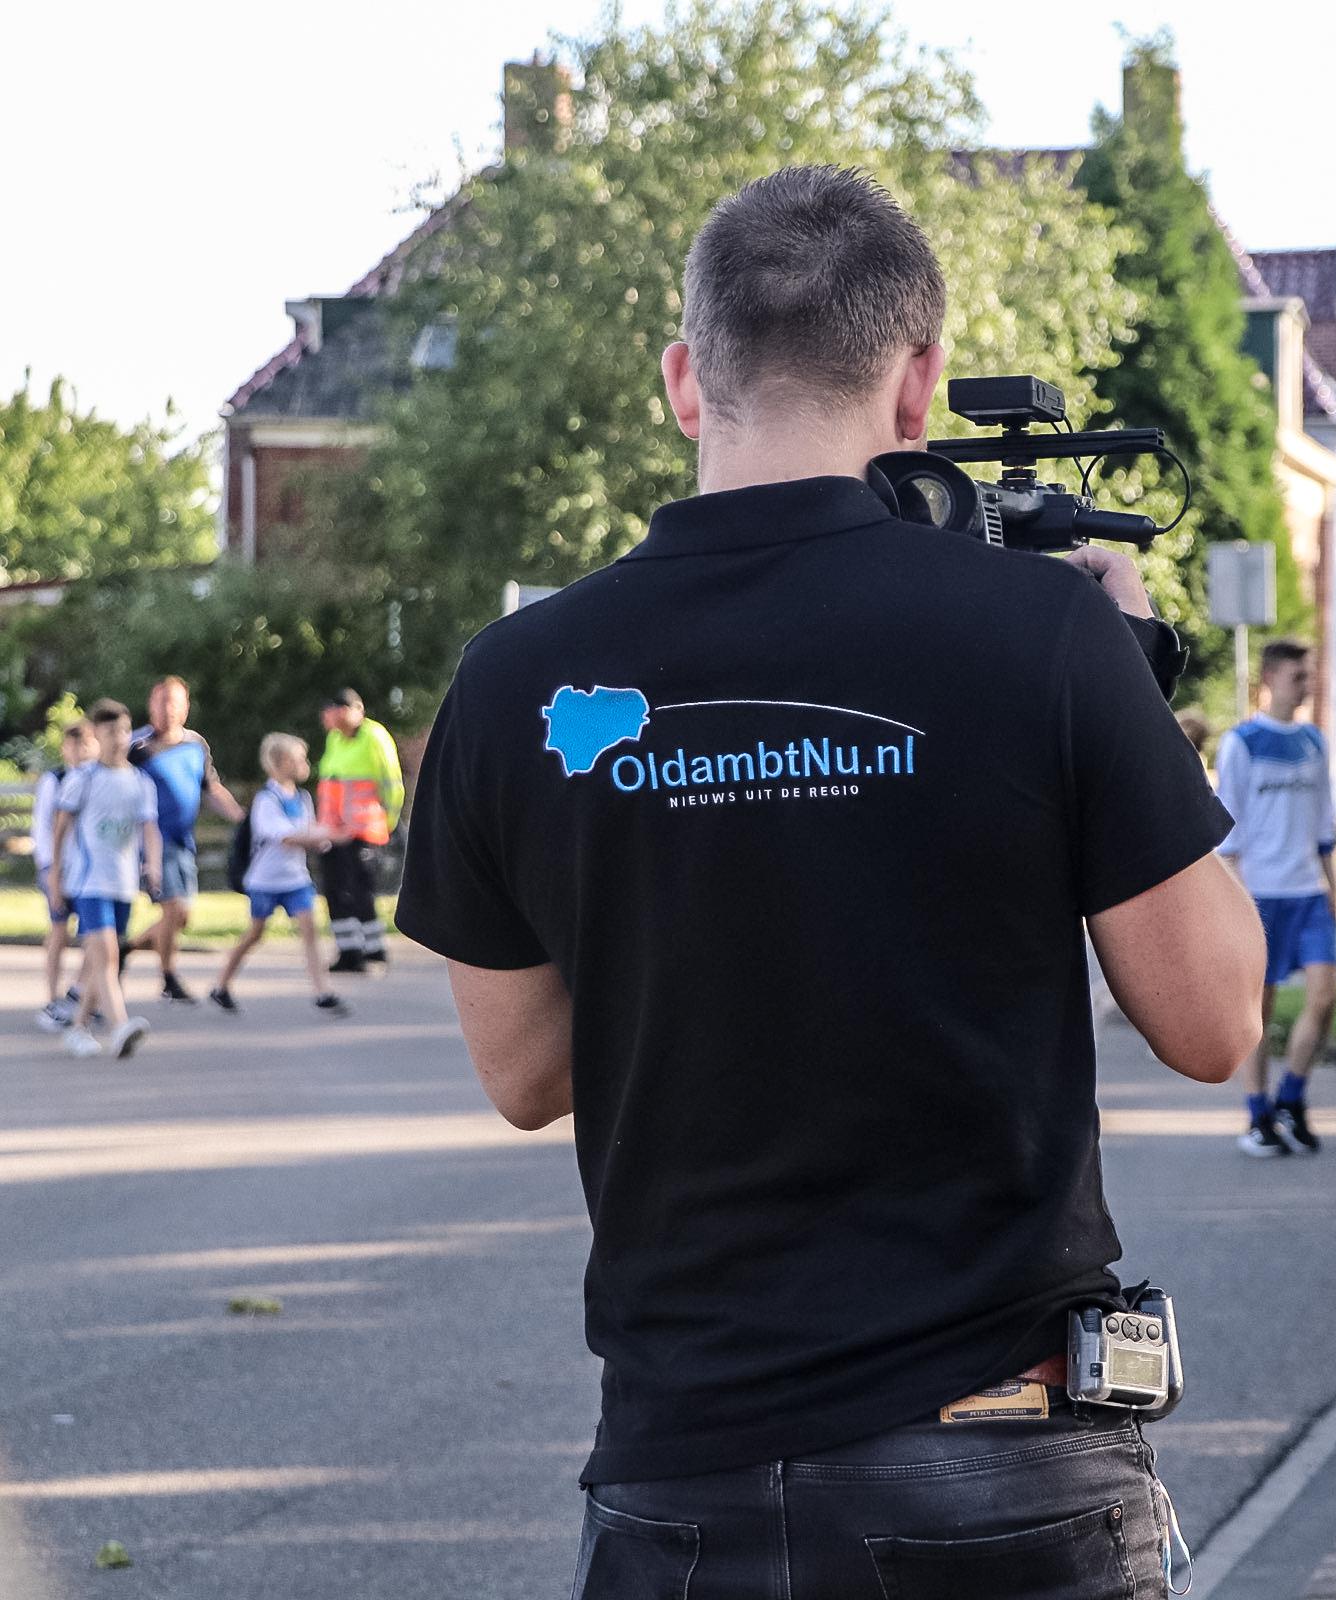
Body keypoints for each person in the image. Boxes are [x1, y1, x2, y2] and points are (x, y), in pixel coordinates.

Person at [393, 165, 1262, 1598]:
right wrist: (1130, 685)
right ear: (917, 387)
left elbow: (527, 1075)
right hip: (998, 1463)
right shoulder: (1044, 635)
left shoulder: (516, 681)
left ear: (685, 382)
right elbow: (1216, 1022)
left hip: (685, 1477)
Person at [1217, 638, 1336, 1157]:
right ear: (1270, 678)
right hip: (1261, 894)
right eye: (1297, 676)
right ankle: (1257, 1114)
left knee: (1325, 996)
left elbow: (1325, 825)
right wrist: (1237, 904)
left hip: (1308, 890)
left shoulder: (1314, 741)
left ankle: (1291, 1096)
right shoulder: (1241, 743)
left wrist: (1335, 890)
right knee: (1259, 1013)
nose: (1306, 685)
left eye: (1309, 675)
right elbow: (1228, 834)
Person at [209, 734, 349, 1019]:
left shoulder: (303, 798)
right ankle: (221, 984)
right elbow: (283, 836)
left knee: (309, 931)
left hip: (296, 878)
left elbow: (310, 831)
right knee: (255, 933)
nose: (304, 764)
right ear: (282, 762)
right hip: (266, 880)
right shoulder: (266, 799)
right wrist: (325, 835)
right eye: (299, 759)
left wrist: (325, 837)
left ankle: (322, 992)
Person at [121, 676, 243, 1004]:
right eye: (162, 702)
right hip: (152, 842)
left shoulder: (195, 744)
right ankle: (169, 978)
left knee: (181, 917)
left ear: (186, 707)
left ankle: (126, 949)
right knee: (172, 908)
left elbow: (211, 788)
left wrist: (241, 818)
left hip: (182, 841)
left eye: (174, 702)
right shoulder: (136, 747)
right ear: (151, 705)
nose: (168, 709)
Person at [47, 700, 157, 1061]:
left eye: (124, 731)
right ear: (96, 735)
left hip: (122, 883)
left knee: (102, 959)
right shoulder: (83, 778)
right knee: (107, 954)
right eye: (111, 732)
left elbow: (149, 828)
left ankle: (78, 1028)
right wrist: (55, 875)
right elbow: (60, 830)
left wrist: (153, 865)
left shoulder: (140, 781)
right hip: (89, 882)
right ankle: (119, 1025)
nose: (119, 739)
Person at [318, 688, 407, 974]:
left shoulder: (374, 736)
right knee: (336, 891)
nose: (329, 717)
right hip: (334, 831)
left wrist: (388, 823)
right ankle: (349, 951)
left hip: (364, 830)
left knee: (360, 890)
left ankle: (373, 949)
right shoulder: (335, 739)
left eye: (337, 710)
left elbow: (391, 783)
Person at [32, 719, 96, 1032]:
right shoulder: (54, 780)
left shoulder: (98, 778)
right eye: (74, 745)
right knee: (59, 929)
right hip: (58, 867)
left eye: (86, 744)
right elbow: (44, 828)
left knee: (96, 933)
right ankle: (52, 997)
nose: (80, 751)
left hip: (88, 869)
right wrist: (51, 871)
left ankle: (81, 991)